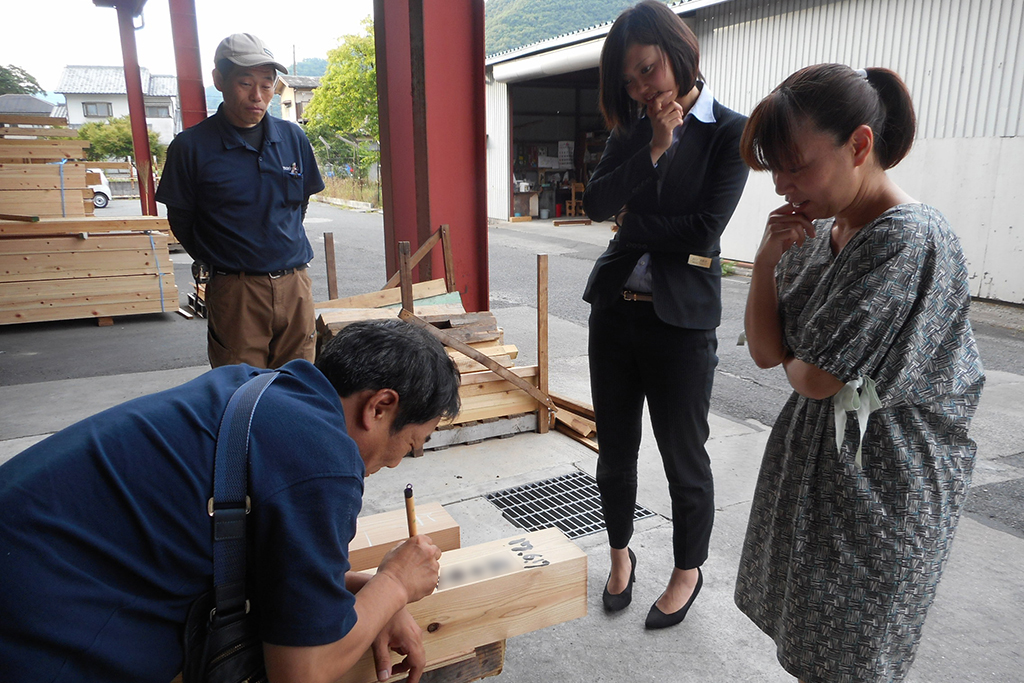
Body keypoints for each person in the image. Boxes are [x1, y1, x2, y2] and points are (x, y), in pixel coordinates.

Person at [0, 319, 461, 683]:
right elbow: (302, 671)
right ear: (379, 407)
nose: (400, 462)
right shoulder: (323, 458)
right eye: (412, 444)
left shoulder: (264, 391)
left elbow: (277, 564)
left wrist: (372, 594)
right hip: (36, 625)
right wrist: (396, 583)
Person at [733, 64, 985, 683]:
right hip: (827, 476)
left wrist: (805, 362)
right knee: (817, 646)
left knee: (856, 655)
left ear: (860, 145)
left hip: (885, 487)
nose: (784, 187)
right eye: (776, 171)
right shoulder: (823, 231)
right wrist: (766, 260)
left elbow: (816, 378)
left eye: (796, 165)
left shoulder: (907, 238)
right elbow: (769, 355)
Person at [581, 0, 749, 629]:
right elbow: (599, 204)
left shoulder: (730, 133)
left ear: (679, 55)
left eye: (648, 70)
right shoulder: (632, 132)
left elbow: (706, 230)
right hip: (614, 314)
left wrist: (637, 222)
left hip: (681, 324)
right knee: (615, 447)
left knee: (685, 454)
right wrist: (655, 147)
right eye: (628, 79)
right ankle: (619, 554)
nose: (641, 87)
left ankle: (687, 570)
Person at [156, 33, 325, 369]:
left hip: (295, 286)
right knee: (240, 388)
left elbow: (298, 206)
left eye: (266, 85)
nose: (257, 96)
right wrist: (223, 263)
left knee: (299, 380)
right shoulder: (191, 147)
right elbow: (181, 220)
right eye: (245, 83)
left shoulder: (293, 138)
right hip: (236, 290)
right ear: (219, 80)